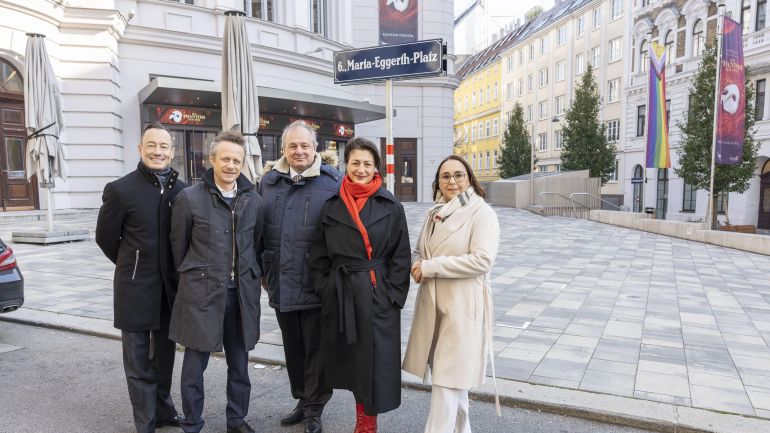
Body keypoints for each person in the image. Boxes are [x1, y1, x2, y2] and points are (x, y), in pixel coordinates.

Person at [309, 137, 411, 433]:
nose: (362, 169)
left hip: (376, 294)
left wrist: (390, 296)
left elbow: (400, 255)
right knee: (353, 362)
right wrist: (325, 287)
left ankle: (367, 423)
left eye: (368, 164)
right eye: (356, 163)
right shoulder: (332, 205)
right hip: (341, 293)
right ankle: (359, 416)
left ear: (376, 166)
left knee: (375, 365)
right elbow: (318, 254)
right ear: (346, 165)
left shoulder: (390, 205)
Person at [169, 131, 263, 433]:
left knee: (239, 364)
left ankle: (237, 420)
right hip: (202, 294)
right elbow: (178, 249)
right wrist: (196, 276)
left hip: (241, 295)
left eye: (237, 160)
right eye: (225, 158)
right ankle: (192, 423)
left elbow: (256, 245)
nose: (231, 165)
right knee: (195, 367)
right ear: (212, 160)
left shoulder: (253, 200)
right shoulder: (189, 198)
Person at [95, 121, 186, 433]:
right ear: (140, 149)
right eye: (151, 145)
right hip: (134, 289)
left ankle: (163, 410)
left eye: (163, 146)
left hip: (169, 290)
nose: (157, 151)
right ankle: (145, 422)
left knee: (165, 357)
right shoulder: (121, 190)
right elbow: (105, 238)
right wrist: (129, 265)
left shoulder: (183, 190)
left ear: (172, 152)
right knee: (137, 362)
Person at [402, 155, 501, 433]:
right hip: (433, 306)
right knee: (452, 382)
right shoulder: (434, 213)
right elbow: (420, 250)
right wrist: (415, 265)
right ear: (438, 182)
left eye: (458, 175)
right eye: (445, 176)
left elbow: (482, 260)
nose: (452, 181)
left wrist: (430, 267)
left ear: (469, 178)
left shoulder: (482, 213)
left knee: (446, 383)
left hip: (462, 309)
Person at [258, 121, 339, 433]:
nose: (299, 151)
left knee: (317, 349)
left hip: (317, 283)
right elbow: (259, 231)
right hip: (280, 279)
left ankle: (315, 407)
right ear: (284, 149)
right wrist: (264, 271)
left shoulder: (332, 182)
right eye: (293, 146)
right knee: (293, 348)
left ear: (315, 148)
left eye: (305, 145)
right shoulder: (268, 182)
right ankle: (302, 400)